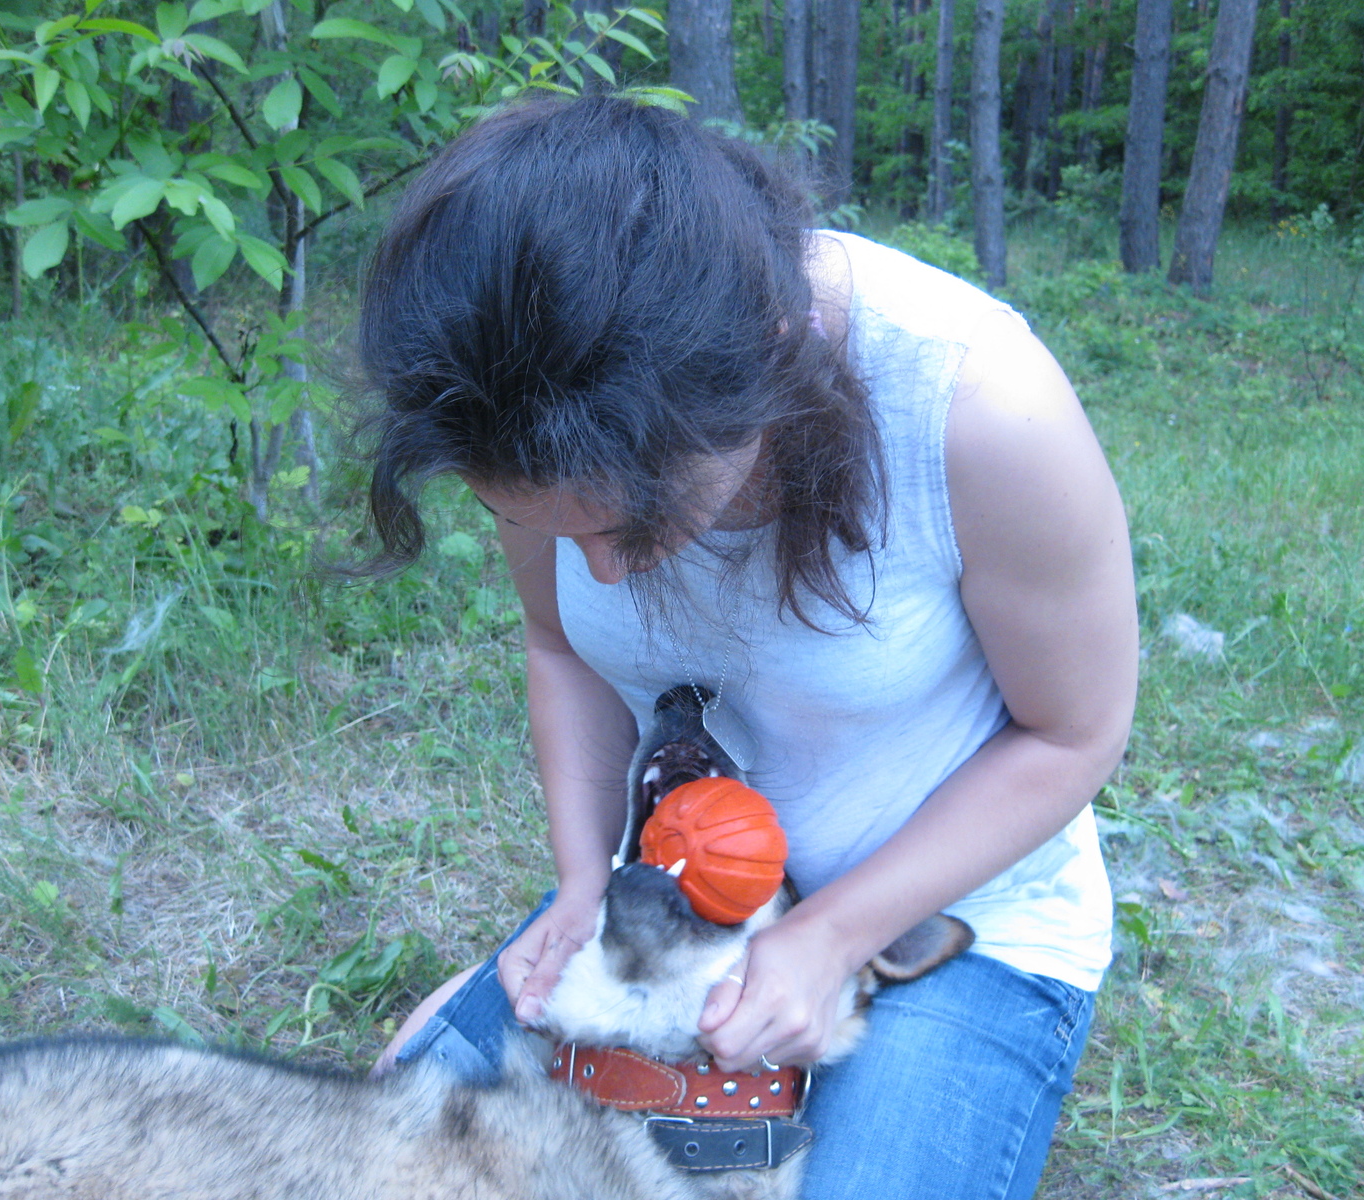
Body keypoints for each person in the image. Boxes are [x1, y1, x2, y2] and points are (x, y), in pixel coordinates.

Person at [359, 94, 1137, 1199]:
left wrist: (826, 940)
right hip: (678, 893)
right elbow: (562, 649)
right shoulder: (526, 396)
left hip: (954, 913)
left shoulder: (976, 403)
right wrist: (583, 886)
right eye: (557, 530)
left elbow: (1076, 732)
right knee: (387, 1158)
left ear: (762, 366)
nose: (607, 571)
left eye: (633, 523)